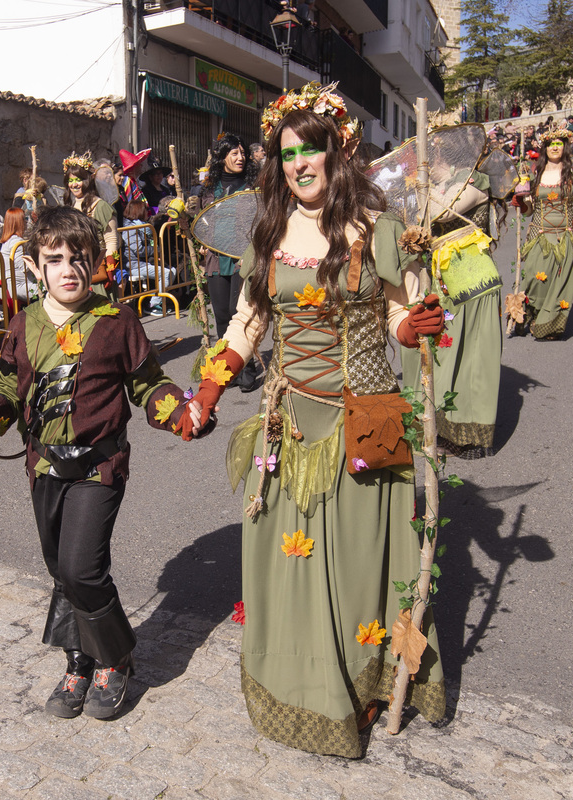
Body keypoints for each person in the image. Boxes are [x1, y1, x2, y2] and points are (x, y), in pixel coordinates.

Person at [179, 82, 447, 757]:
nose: (299, 163)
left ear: (338, 151)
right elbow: (248, 322)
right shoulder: (269, 232)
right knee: (295, 562)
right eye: (287, 152)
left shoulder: (378, 229)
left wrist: (414, 326)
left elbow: (396, 316)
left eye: (311, 150)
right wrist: (209, 391)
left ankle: (365, 682)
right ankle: (304, 682)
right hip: (292, 419)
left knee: (360, 562)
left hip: (368, 413)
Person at [0, 205, 208, 721]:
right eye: (55, 259)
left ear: (94, 262)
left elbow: (147, 383)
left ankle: (115, 658)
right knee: (61, 570)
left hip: (100, 464)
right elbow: (4, 386)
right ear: (35, 266)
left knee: (82, 567)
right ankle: (78, 661)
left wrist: (181, 413)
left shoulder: (117, 321)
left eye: (78, 258)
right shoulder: (23, 324)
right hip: (43, 466)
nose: (68, 268)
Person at [402, 141, 504, 458]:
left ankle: (472, 435)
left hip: (475, 284)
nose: (419, 168)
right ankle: (446, 426)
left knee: (474, 363)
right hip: (448, 291)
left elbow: (440, 210)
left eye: (421, 162)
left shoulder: (472, 180)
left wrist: (416, 194)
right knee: (447, 359)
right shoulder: (436, 186)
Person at [514, 128, 573, 340]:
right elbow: (529, 210)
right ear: (545, 148)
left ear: (565, 147)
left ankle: (548, 326)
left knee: (559, 284)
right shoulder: (534, 172)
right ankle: (528, 314)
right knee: (535, 280)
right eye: (551, 143)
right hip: (539, 234)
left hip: (565, 235)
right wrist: (520, 203)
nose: (555, 146)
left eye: (559, 143)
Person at [199, 132, 260, 391]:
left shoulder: (252, 187)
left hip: (241, 257)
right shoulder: (210, 189)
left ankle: (247, 368)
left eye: (242, 153)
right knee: (222, 314)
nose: (240, 157)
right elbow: (203, 220)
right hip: (215, 258)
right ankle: (228, 369)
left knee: (239, 314)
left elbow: (259, 221)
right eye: (234, 153)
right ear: (222, 157)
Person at [62, 152, 119, 297]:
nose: (74, 184)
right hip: (74, 268)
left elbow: (111, 239)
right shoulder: (69, 206)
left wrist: (110, 267)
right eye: (71, 180)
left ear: (87, 180)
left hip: (96, 269)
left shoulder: (100, 206)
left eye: (78, 179)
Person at [0, 207, 33, 302]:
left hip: (17, 285)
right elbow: (24, 267)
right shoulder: (16, 242)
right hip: (19, 286)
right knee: (48, 291)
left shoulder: (9, 240)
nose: (26, 222)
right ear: (18, 222)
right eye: (25, 219)